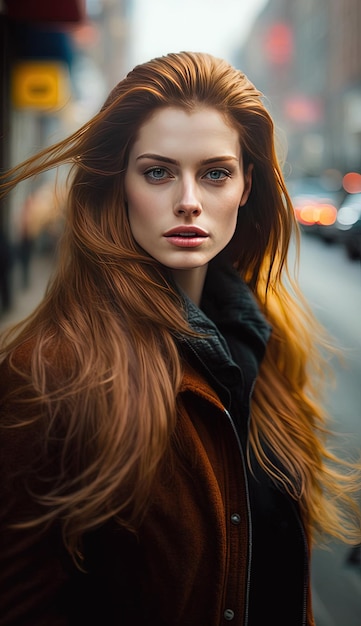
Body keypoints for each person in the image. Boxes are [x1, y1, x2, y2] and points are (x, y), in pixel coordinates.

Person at [0, 51, 360, 626]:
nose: (188, 199)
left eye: (215, 173)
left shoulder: (264, 345)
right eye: (158, 172)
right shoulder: (48, 375)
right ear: (119, 182)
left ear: (246, 187)